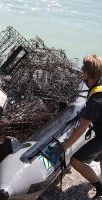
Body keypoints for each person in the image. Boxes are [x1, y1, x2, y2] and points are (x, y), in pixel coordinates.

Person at [49, 54, 102, 200]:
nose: (81, 72)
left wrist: (64, 146)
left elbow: (82, 128)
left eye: (83, 70)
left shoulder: (96, 100)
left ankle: (100, 188)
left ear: (88, 74)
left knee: (76, 161)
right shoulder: (99, 88)